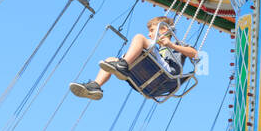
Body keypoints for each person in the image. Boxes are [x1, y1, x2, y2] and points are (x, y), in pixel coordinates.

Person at [70, 16, 199, 101]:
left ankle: (123, 65)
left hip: (166, 73)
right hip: (150, 72)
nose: (150, 34)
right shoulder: (156, 49)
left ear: (164, 29)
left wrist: (170, 44)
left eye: (152, 30)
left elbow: (195, 54)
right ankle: (95, 86)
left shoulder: (177, 45)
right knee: (109, 60)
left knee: (140, 38)